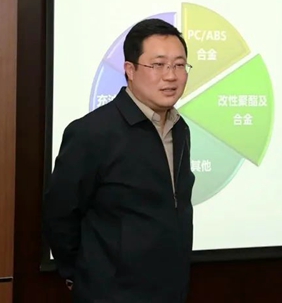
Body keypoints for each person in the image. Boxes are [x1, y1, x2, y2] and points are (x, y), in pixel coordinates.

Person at [43, 18, 196, 303]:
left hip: (171, 289)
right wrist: (81, 274)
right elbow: (61, 214)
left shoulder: (180, 129)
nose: (171, 76)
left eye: (179, 65)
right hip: (110, 293)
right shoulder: (92, 132)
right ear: (130, 70)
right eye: (158, 65)